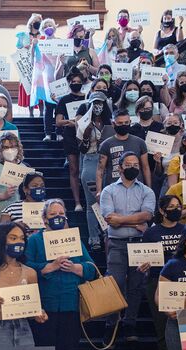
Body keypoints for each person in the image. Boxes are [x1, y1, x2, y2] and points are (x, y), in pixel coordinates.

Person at [25, 199, 97, 350]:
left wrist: (76, 268)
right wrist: (48, 267)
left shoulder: (72, 238)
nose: (58, 217)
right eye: (53, 214)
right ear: (44, 218)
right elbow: (25, 267)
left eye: (61, 213)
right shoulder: (35, 240)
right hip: (43, 307)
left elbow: (92, 268)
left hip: (70, 305)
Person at [100, 151, 156, 340]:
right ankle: (111, 324)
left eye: (136, 165)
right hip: (116, 244)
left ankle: (129, 324)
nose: (133, 167)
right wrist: (134, 222)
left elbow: (147, 216)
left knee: (136, 286)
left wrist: (121, 220)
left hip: (140, 244)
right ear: (120, 167)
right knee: (114, 284)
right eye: (129, 164)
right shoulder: (108, 190)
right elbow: (110, 219)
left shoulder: (147, 191)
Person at [0, 223, 47, 349]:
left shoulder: (30, 273)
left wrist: (40, 314)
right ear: (1, 240)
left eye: (22, 238)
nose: (19, 242)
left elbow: (34, 308)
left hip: (24, 330)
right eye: (13, 238)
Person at [140, 196, 186, 350]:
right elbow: (143, 259)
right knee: (163, 332)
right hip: (157, 284)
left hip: (185, 283)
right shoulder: (151, 233)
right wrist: (143, 265)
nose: (175, 209)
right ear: (162, 210)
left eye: (178, 207)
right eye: (171, 207)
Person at [78, 91, 115, 249]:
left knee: (109, 200)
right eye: (95, 103)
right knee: (93, 202)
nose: (98, 106)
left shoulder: (110, 123)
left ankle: (108, 233)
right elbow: (81, 148)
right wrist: (86, 135)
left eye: (100, 103)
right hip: (91, 159)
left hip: (109, 162)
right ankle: (94, 238)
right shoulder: (84, 122)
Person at [53, 68, 88, 212]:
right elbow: (58, 122)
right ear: (69, 83)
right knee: (74, 169)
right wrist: (72, 122)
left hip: (86, 135)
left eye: (79, 82)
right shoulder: (64, 100)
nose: (76, 83)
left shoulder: (87, 98)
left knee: (87, 170)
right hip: (70, 136)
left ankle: (88, 199)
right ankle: (77, 202)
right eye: (73, 81)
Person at [95, 110, 151, 195]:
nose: (123, 125)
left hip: (137, 187)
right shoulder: (105, 144)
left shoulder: (140, 143)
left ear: (130, 122)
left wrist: (149, 189)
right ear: (113, 124)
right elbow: (100, 170)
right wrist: (99, 191)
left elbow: (146, 167)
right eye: (120, 123)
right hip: (113, 188)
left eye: (126, 122)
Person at [32, 18, 62, 142]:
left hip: (60, 77)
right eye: (45, 26)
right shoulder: (40, 43)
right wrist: (34, 47)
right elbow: (35, 59)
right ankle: (48, 133)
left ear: (55, 27)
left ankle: (59, 133)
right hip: (46, 79)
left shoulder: (61, 42)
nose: (48, 27)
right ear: (42, 30)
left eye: (50, 25)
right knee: (48, 107)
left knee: (60, 107)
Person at [15, 14, 43, 117]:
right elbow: (18, 50)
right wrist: (26, 47)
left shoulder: (43, 35)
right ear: (31, 23)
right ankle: (31, 113)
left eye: (39, 21)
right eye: (36, 21)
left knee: (40, 89)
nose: (37, 23)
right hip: (27, 65)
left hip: (40, 65)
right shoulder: (24, 35)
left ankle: (41, 113)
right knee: (29, 90)